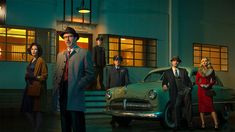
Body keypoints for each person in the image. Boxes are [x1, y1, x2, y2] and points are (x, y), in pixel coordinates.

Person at [54, 27, 94, 132]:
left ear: (75, 38)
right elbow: (57, 74)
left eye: (70, 36)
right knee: (64, 122)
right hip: (63, 92)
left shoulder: (84, 53)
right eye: (65, 37)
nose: (67, 39)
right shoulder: (60, 55)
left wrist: (78, 84)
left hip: (76, 92)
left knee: (77, 123)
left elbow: (90, 75)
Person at [21, 43, 48, 132]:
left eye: (35, 49)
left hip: (37, 88)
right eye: (32, 49)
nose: (33, 51)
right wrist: (27, 76)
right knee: (26, 109)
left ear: (38, 51)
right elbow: (30, 72)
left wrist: (35, 77)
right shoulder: (32, 60)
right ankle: (34, 128)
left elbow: (44, 75)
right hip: (29, 87)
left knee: (38, 110)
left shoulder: (41, 61)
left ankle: (36, 129)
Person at [162, 56, 193, 130]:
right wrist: (164, 85)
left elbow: (189, 82)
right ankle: (177, 125)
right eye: (174, 61)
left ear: (178, 63)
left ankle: (190, 125)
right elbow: (164, 82)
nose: (176, 62)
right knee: (176, 107)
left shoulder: (183, 70)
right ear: (171, 62)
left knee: (188, 108)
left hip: (185, 91)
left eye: (177, 61)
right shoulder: (167, 72)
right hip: (176, 92)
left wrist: (189, 88)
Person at [196, 57, 219, 129]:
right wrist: (200, 84)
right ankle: (203, 124)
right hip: (201, 90)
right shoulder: (199, 71)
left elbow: (214, 80)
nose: (204, 62)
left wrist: (209, 84)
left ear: (207, 62)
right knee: (201, 108)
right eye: (203, 61)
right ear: (201, 63)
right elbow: (197, 81)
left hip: (208, 90)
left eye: (206, 61)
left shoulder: (211, 70)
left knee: (211, 107)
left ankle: (216, 124)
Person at [106, 55, 129, 127]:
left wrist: (126, 88)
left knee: (120, 105)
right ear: (114, 61)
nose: (117, 61)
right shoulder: (110, 69)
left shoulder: (124, 69)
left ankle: (119, 119)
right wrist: (107, 89)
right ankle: (113, 118)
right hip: (112, 90)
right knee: (113, 105)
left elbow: (127, 80)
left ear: (121, 61)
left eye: (119, 60)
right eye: (116, 60)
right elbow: (108, 80)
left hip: (121, 90)